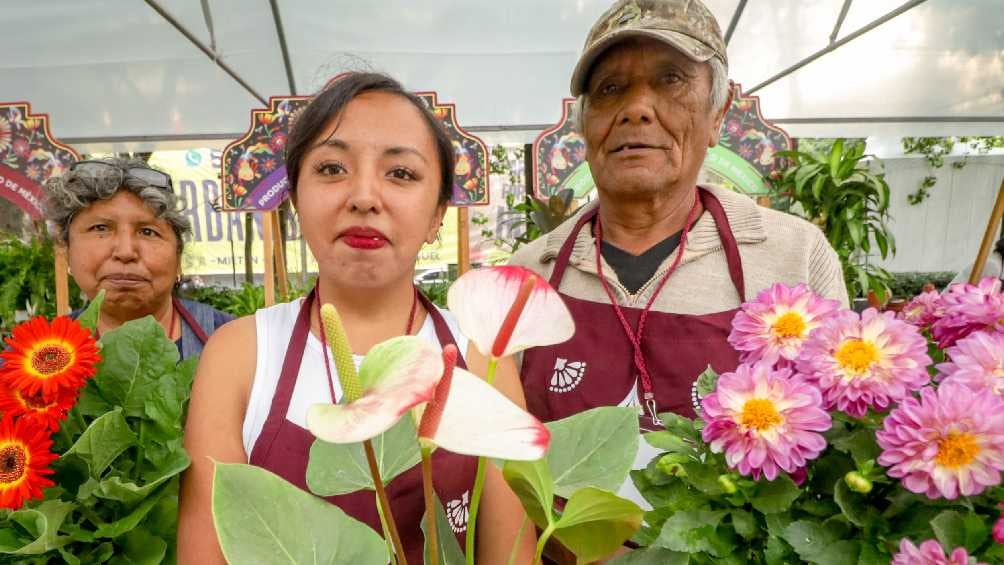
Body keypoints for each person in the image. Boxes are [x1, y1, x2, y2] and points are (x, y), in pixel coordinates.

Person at [179, 72, 534, 564]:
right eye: (331, 168)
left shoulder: (477, 353)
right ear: (296, 201)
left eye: (401, 174)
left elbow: (510, 553)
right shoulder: (241, 354)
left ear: (437, 215)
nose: (364, 196)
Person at [510, 0, 848, 502]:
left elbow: (836, 444)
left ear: (717, 116)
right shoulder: (526, 276)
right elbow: (500, 466)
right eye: (610, 89)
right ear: (583, 127)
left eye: (671, 81)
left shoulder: (793, 256)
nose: (637, 109)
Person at [45, 158, 232, 359]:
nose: (126, 252)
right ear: (67, 252)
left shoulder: (242, 346)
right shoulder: (31, 363)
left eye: (148, 232)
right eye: (100, 228)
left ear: (178, 257)